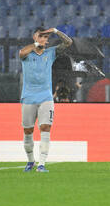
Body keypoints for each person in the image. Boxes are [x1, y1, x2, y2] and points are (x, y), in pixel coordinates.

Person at [19, 27, 72, 172]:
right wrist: (36, 45)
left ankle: (41, 164)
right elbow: (21, 53)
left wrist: (56, 31)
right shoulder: (27, 52)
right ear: (34, 37)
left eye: (45, 37)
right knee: (28, 131)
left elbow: (68, 42)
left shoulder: (51, 52)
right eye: (41, 36)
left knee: (45, 128)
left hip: (46, 97)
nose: (44, 39)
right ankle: (30, 161)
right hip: (28, 97)